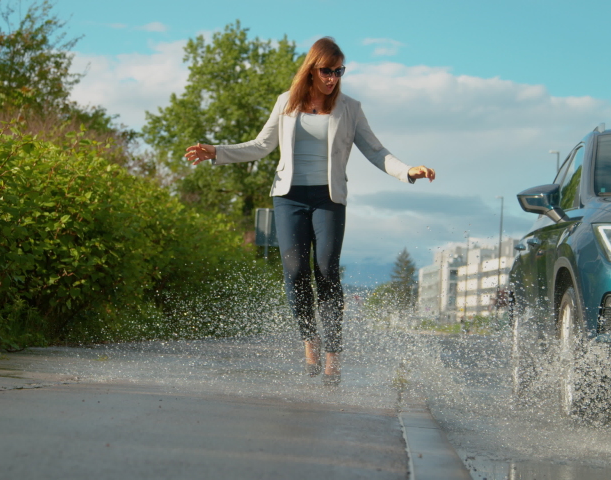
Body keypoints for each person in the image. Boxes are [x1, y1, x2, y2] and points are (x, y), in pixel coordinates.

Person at [185, 37, 435, 386]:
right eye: (326, 70)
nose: (333, 77)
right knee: (295, 269)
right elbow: (261, 146)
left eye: (338, 71)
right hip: (289, 197)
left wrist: (407, 170)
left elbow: (376, 150)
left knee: (326, 269)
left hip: (328, 198)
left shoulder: (350, 108)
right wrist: (217, 151)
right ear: (312, 69)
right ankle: (309, 340)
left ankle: (333, 353)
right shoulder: (286, 104)